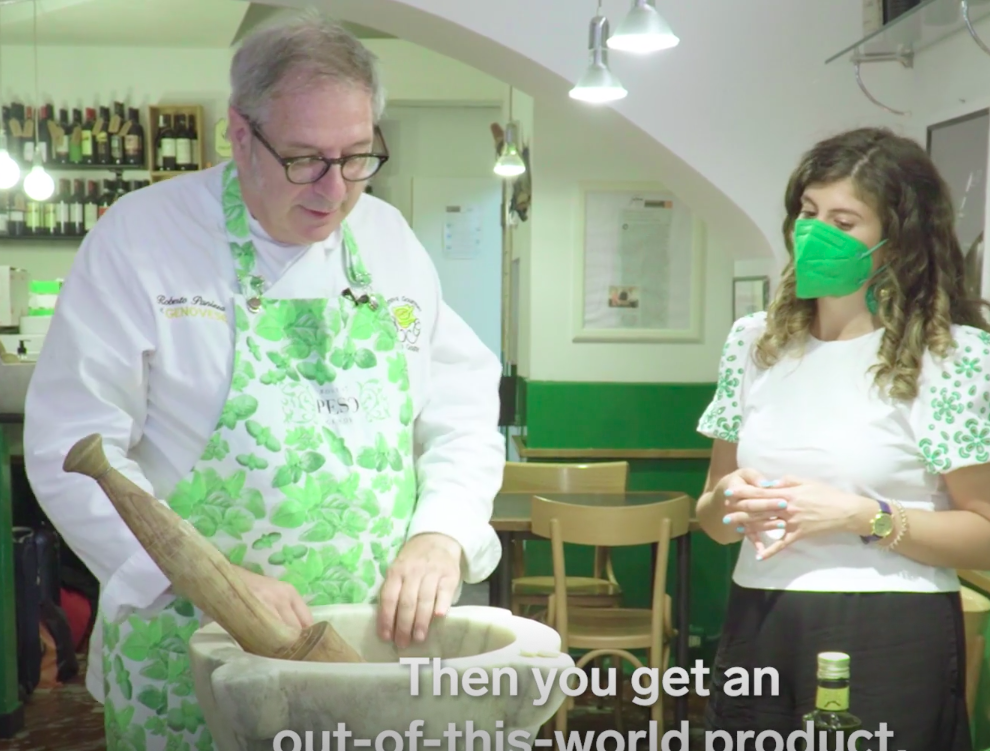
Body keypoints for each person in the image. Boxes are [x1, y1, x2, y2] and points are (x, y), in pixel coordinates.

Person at [21, 11, 504, 750]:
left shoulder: (389, 240)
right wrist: (210, 580)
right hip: (194, 640)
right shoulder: (142, 239)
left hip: (363, 650)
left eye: (357, 157)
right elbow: (72, 444)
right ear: (240, 135)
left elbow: (462, 405)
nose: (334, 190)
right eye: (305, 159)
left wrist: (443, 532)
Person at [695, 126, 990, 750]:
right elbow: (713, 518)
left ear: (897, 241)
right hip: (758, 618)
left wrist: (861, 516)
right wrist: (728, 502)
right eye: (808, 212)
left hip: (889, 629)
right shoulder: (753, 342)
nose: (815, 232)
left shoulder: (952, 356)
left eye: (843, 220)